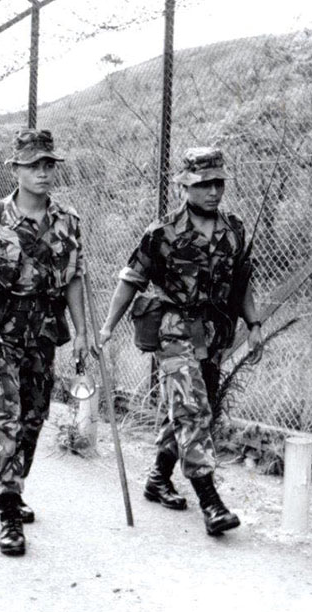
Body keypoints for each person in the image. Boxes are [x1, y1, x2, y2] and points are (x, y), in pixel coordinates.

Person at [98, 147, 263, 536]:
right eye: (204, 184)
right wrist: (107, 327)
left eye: (218, 183)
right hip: (174, 330)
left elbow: (241, 283)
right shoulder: (162, 233)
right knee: (191, 410)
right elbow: (131, 280)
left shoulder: (234, 229)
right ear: (185, 186)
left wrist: (253, 323)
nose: (213, 191)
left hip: (215, 333)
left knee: (189, 408)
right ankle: (211, 503)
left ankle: (158, 479)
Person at [0, 128, 88, 556]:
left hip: (43, 333)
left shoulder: (68, 221)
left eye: (48, 165)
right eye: (32, 165)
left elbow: (74, 278)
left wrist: (82, 332)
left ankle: (13, 483)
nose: (42, 173)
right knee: (4, 420)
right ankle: (9, 509)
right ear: (15, 169)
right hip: (0, 334)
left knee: (33, 419)